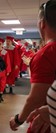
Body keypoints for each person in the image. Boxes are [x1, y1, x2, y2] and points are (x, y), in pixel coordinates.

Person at [10, 0, 56, 132]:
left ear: (42, 24)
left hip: (48, 123)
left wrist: (18, 119)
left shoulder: (46, 54)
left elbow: (36, 98)